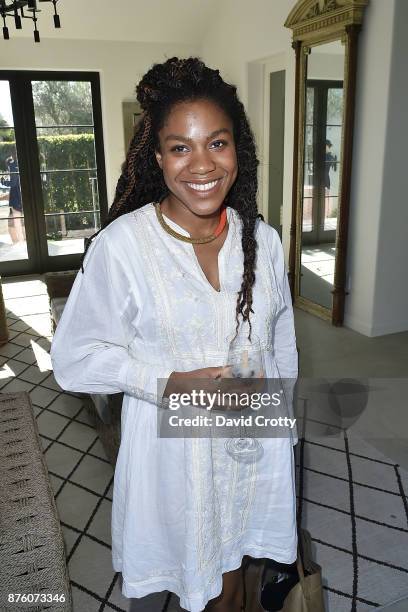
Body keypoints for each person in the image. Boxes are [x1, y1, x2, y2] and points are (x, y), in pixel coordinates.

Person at [50, 57, 299, 612]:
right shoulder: (124, 246)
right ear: (157, 156)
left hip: (253, 445)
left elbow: (283, 344)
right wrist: (169, 383)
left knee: (241, 581)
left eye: (218, 142)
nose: (202, 164)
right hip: (175, 459)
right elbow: (72, 360)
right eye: (181, 147)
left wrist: (283, 431)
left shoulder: (265, 240)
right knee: (205, 588)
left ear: (239, 150)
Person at [1, 155, 25, 244]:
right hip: (18, 197)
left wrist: (3, 181)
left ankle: (20, 242)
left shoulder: (12, 165)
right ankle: (18, 242)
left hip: (16, 198)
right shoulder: (18, 166)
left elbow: (13, 183)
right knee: (14, 220)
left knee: (16, 221)